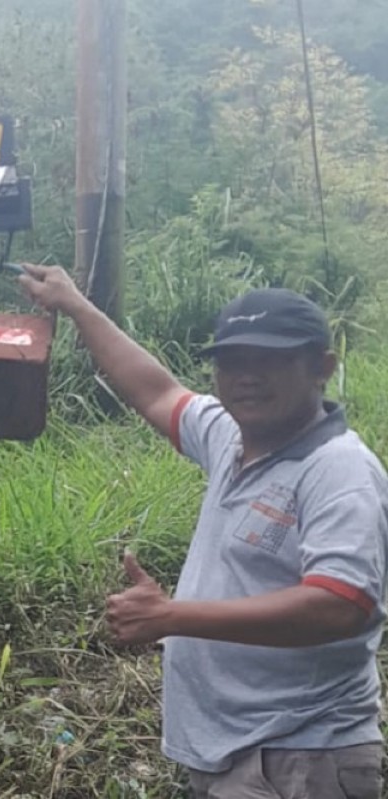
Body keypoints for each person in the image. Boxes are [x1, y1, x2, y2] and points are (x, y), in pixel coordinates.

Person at [20, 265, 387, 799]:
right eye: (232, 361)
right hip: (232, 752)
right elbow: (156, 391)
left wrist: (171, 617)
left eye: (271, 360)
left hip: (301, 757)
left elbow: (341, 605)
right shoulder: (229, 438)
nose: (247, 376)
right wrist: (77, 306)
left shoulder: (338, 470)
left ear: (322, 368)